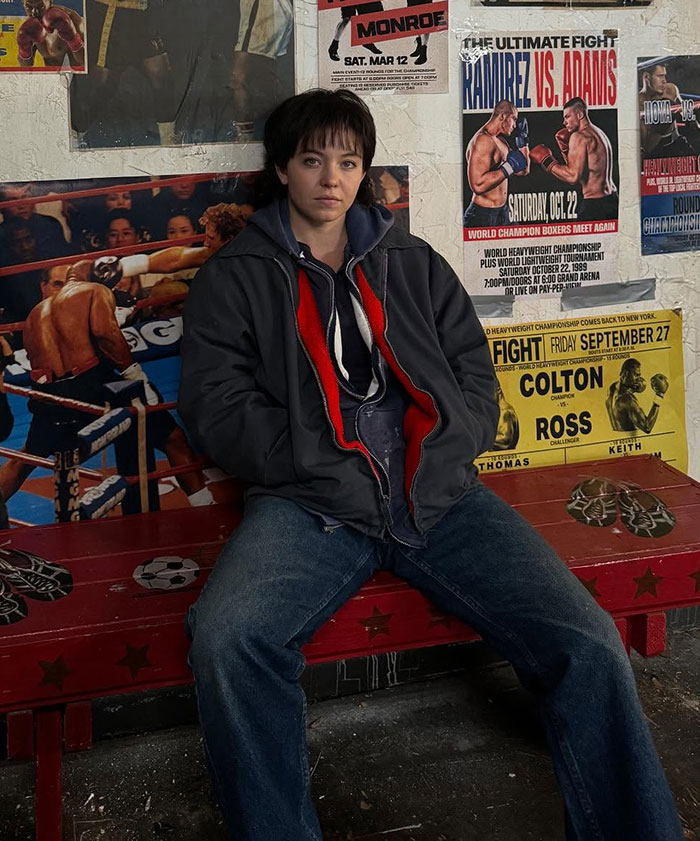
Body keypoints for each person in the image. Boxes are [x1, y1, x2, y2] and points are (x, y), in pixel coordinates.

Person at [178, 88, 683, 841]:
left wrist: (446, 454)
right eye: (313, 159)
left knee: (587, 639)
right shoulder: (236, 276)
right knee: (227, 639)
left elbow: (475, 375)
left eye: (348, 161)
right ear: (281, 168)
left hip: (435, 494)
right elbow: (217, 408)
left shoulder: (408, 259)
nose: (331, 177)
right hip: (312, 504)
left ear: (363, 172)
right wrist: (316, 468)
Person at [0, 257, 215, 511]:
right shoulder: (94, 291)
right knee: (172, 437)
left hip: (48, 394)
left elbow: (40, 361)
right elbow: (104, 334)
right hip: (91, 384)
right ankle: (206, 509)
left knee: (25, 458)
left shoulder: (35, 315)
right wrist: (135, 374)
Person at [69, 0, 176, 147]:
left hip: (142, 15)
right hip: (109, 15)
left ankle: (169, 142)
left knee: (162, 77)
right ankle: (75, 136)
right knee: (102, 85)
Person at [530, 97, 618, 221]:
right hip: (612, 199)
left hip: (595, 205)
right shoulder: (599, 133)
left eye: (567, 117)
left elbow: (573, 177)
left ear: (580, 114)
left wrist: (546, 161)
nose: (564, 122)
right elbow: (587, 171)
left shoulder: (578, 137)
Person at [228, 0, 294, 141]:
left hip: (263, 6)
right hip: (274, 10)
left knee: (238, 76)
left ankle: (244, 140)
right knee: (267, 76)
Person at [463, 100, 529, 227]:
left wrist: (523, 141)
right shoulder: (482, 140)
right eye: (513, 119)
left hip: (503, 211)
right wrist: (508, 168)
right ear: (503, 116)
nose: (515, 125)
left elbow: (523, 170)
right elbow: (477, 185)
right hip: (482, 214)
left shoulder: (502, 141)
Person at [638, 61, 700, 159]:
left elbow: (687, 114)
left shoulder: (670, 89)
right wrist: (662, 122)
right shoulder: (639, 104)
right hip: (656, 152)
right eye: (660, 76)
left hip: (678, 142)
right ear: (646, 77)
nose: (664, 81)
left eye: (665, 76)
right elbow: (648, 147)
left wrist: (694, 126)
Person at [605, 358, 668, 434]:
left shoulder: (612, 388)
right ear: (625, 373)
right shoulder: (628, 400)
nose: (638, 379)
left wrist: (632, 388)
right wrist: (659, 395)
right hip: (633, 440)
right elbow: (647, 427)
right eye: (636, 375)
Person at [16, 0, 85, 69]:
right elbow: (26, 66)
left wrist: (73, 39)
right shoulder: (29, 27)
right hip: (52, 77)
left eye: (40, 6)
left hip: (76, 77)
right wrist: (24, 50)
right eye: (28, 7)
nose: (34, 12)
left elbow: (87, 62)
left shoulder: (72, 19)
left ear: (50, 2)